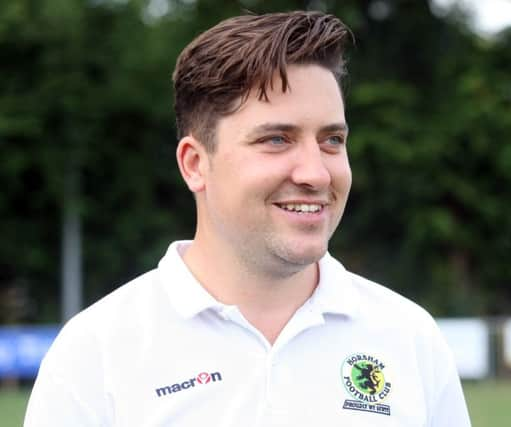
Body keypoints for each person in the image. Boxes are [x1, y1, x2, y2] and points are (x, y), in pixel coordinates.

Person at [25, 11, 471, 426]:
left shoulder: (410, 338)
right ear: (195, 164)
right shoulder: (96, 352)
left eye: (332, 140)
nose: (316, 173)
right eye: (277, 139)